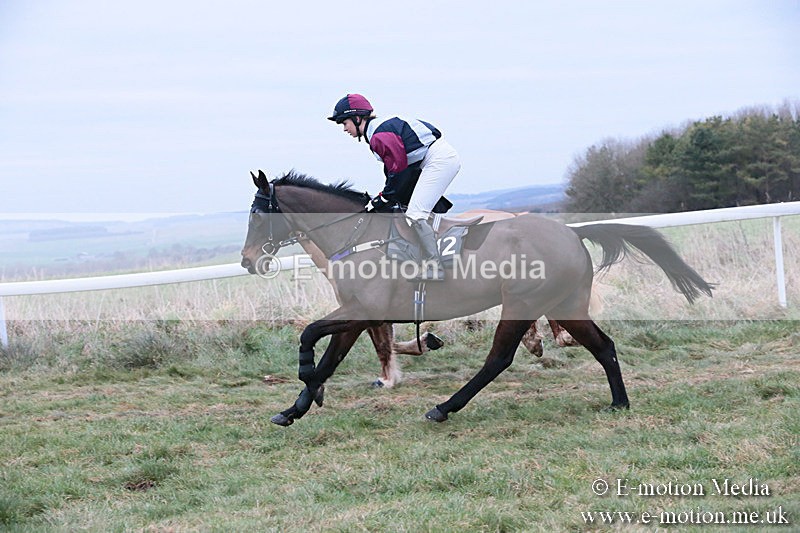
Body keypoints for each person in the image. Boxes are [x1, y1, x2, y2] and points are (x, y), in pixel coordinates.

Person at [327, 93, 461, 281]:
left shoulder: (378, 135)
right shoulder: (376, 131)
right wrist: (385, 197)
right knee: (402, 206)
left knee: (415, 214)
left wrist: (383, 197)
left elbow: (399, 171)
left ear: (357, 118)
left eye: (344, 123)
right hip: (427, 160)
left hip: (437, 160)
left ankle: (435, 267)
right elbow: (394, 172)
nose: (344, 129)